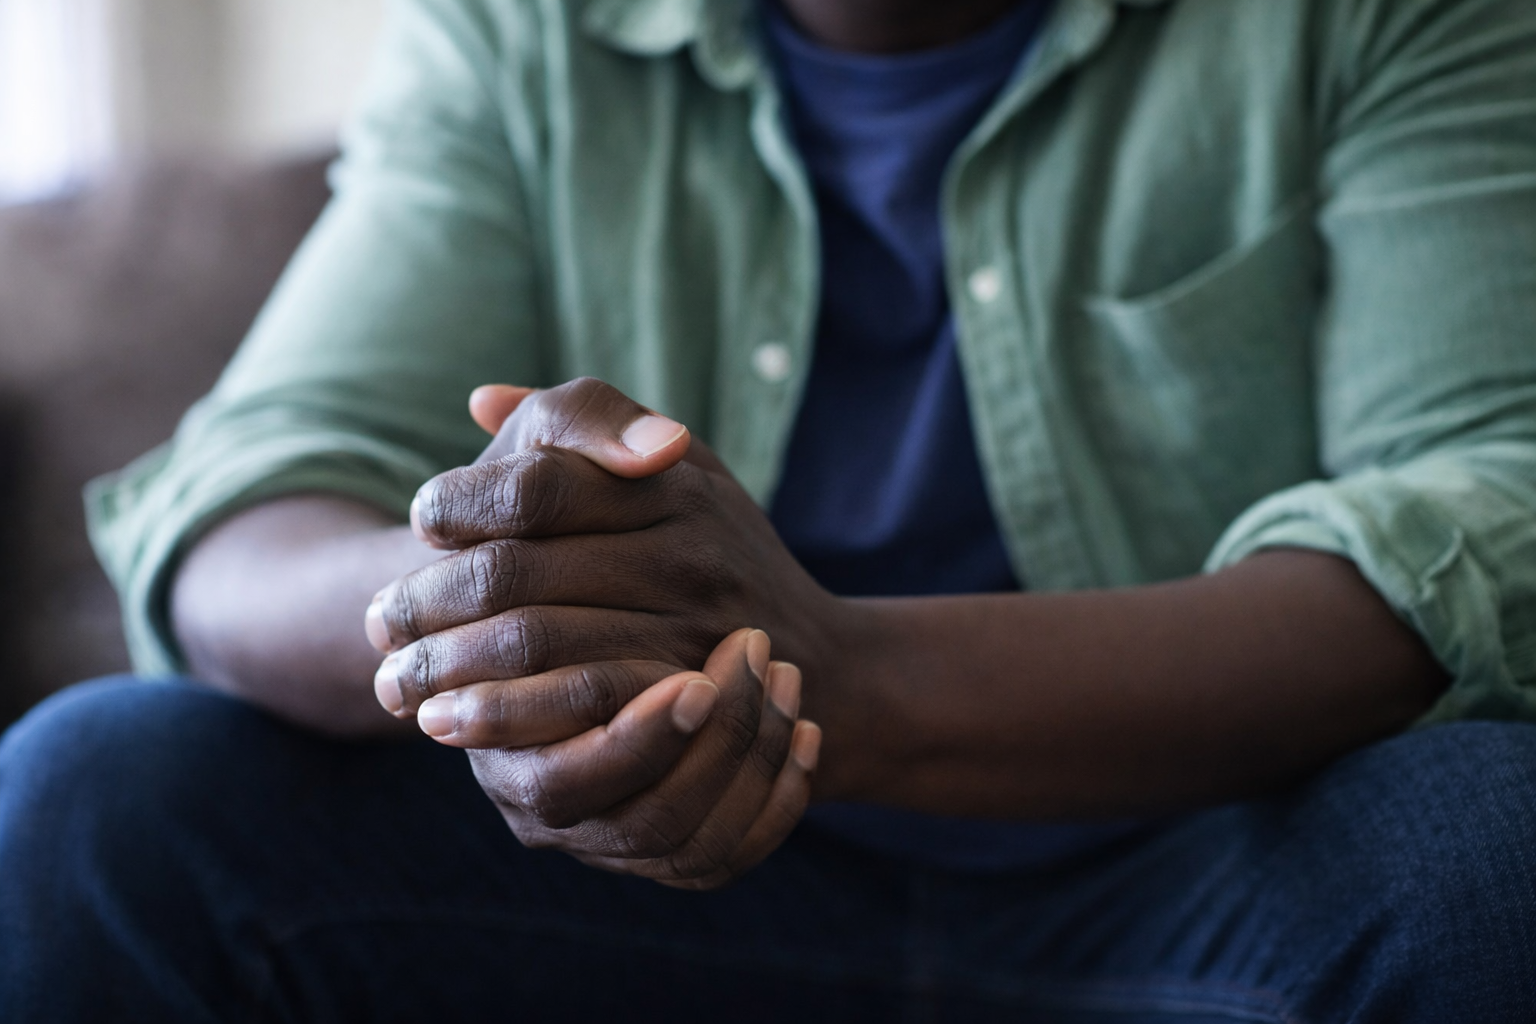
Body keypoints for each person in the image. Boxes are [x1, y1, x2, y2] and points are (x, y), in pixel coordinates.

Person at [4, 0, 1536, 1018]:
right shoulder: (527, 33)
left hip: (1207, 856)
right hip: (649, 897)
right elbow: (242, 507)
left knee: (1494, 853)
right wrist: (519, 626)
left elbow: (1489, 501)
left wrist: (832, 678)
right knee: (90, 800)